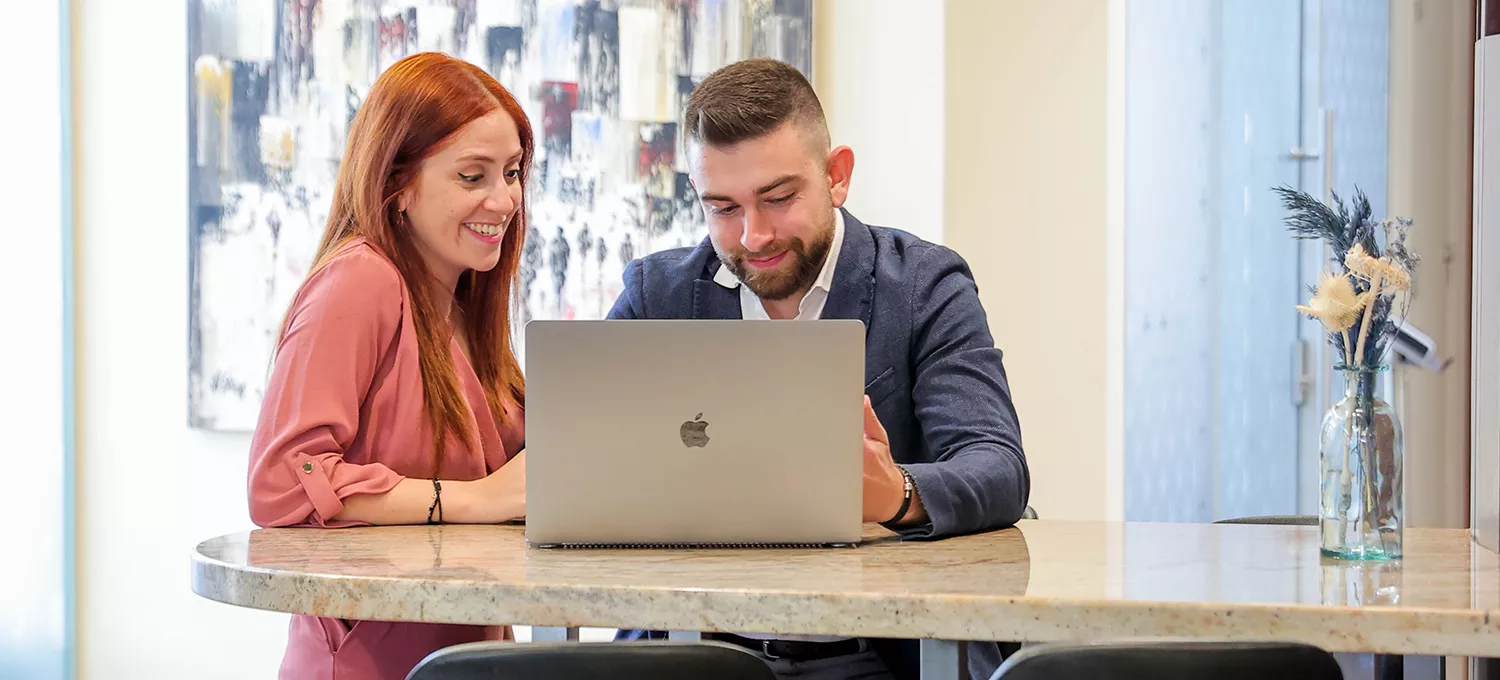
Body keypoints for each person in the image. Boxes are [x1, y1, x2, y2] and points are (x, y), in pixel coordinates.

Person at [607, 58, 1030, 680]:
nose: (753, 235)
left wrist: (899, 496)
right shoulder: (657, 295)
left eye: (777, 198)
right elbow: (570, 456)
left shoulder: (923, 284)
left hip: (881, 656)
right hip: (697, 656)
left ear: (837, 176)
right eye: (722, 207)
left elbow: (998, 467)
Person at [246, 52, 530, 680]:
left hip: (460, 656)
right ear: (397, 184)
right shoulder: (360, 282)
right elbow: (285, 482)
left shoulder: (463, 300)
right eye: (471, 176)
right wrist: (478, 499)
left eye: (511, 172)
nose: (504, 198)